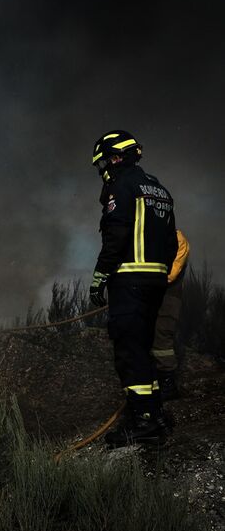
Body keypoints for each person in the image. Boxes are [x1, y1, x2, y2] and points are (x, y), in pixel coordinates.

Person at [89, 130, 179, 447]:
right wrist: (159, 274)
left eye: (103, 164)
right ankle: (152, 413)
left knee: (129, 351)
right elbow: (171, 243)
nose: (103, 172)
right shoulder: (160, 189)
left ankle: (144, 424)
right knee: (143, 348)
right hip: (155, 282)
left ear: (116, 157)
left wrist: (100, 276)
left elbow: (116, 236)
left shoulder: (122, 187)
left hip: (129, 280)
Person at [152, 229, 190, 400]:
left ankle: (168, 383)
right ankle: (153, 383)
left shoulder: (178, 239)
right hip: (151, 295)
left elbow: (171, 273)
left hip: (169, 297)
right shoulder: (149, 235)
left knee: (162, 337)